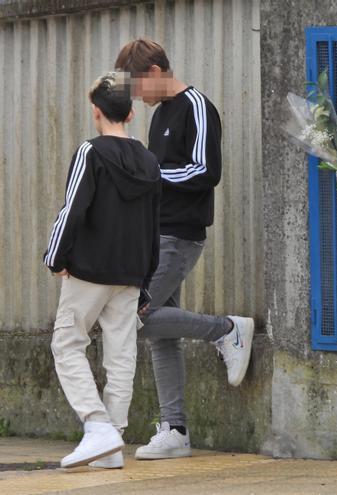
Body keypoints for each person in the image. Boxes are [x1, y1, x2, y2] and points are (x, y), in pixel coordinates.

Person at [114, 38, 255, 461]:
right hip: (155, 235)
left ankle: (226, 330)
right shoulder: (159, 118)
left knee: (134, 316)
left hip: (179, 234)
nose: (137, 95)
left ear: (155, 71)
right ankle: (175, 430)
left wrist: (149, 173)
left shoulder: (197, 106)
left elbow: (205, 171)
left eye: (138, 85)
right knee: (160, 332)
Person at [44, 72, 162, 469]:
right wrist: (145, 278)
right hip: (131, 273)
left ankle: (97, 428)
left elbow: (72, 209)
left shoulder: (90, 153)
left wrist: (55, 258)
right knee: (121, 355)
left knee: (67, 343)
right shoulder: (149, 160)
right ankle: (113, 442)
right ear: (131, 113)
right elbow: (153, 224)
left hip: (90, 270)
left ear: (97, 112)